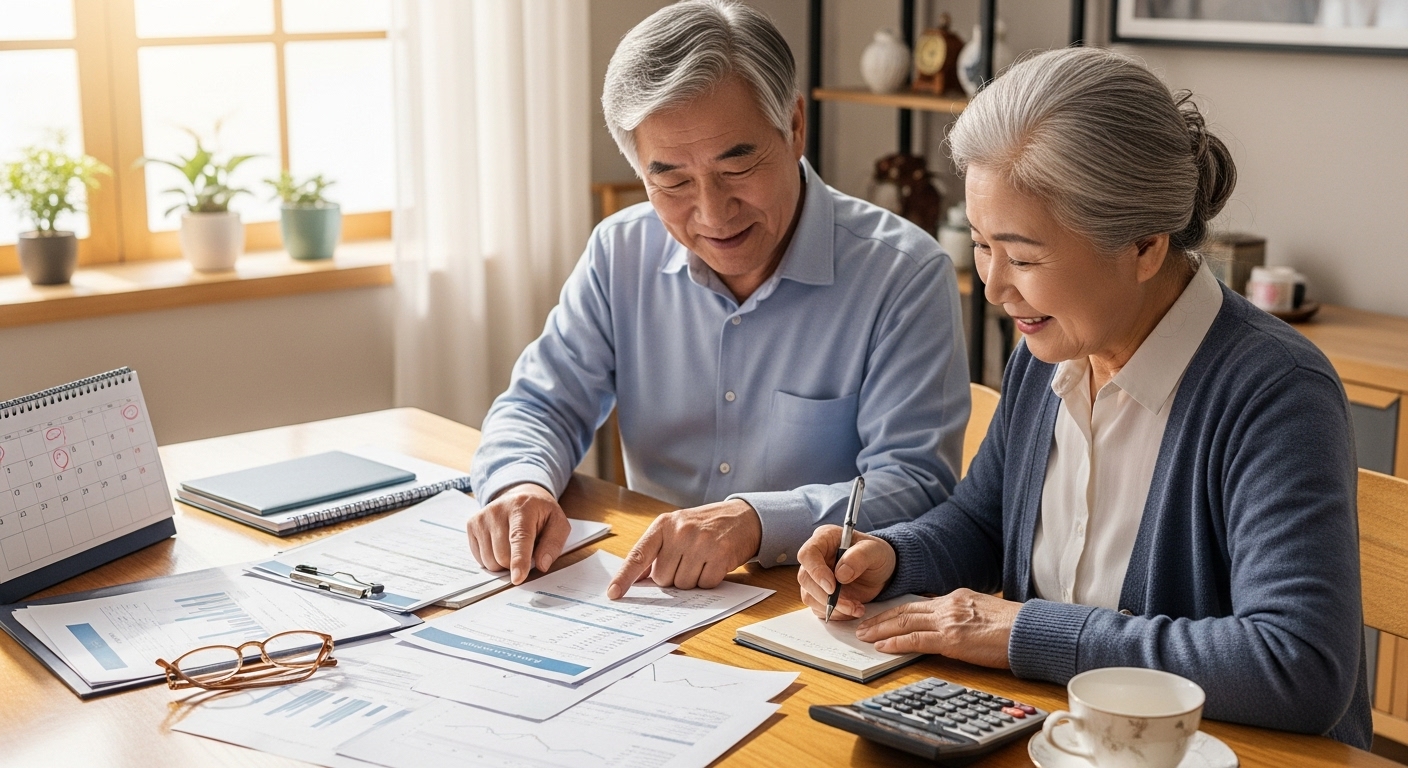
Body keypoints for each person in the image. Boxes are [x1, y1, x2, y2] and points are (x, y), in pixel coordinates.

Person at [796, 47, 1370, 746]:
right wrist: (892, 557)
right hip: (1066, 742)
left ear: (1145, 245)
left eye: (1025, 257)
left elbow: (1297, 667)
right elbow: (982, 522)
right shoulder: (1050, 354)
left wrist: (1022, 631)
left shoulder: (1275, 392)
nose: (994, 285)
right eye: (981, 244)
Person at [467, 0, 970, 597]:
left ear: (794, 127)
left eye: (737, 166)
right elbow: (539, 405)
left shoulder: (903, 275)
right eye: (672, 179)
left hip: (812, 608)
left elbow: (916, 484)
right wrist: (521, 484)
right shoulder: (620, 251)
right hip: (650, 600)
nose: (712, 213)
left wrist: (755, 523)